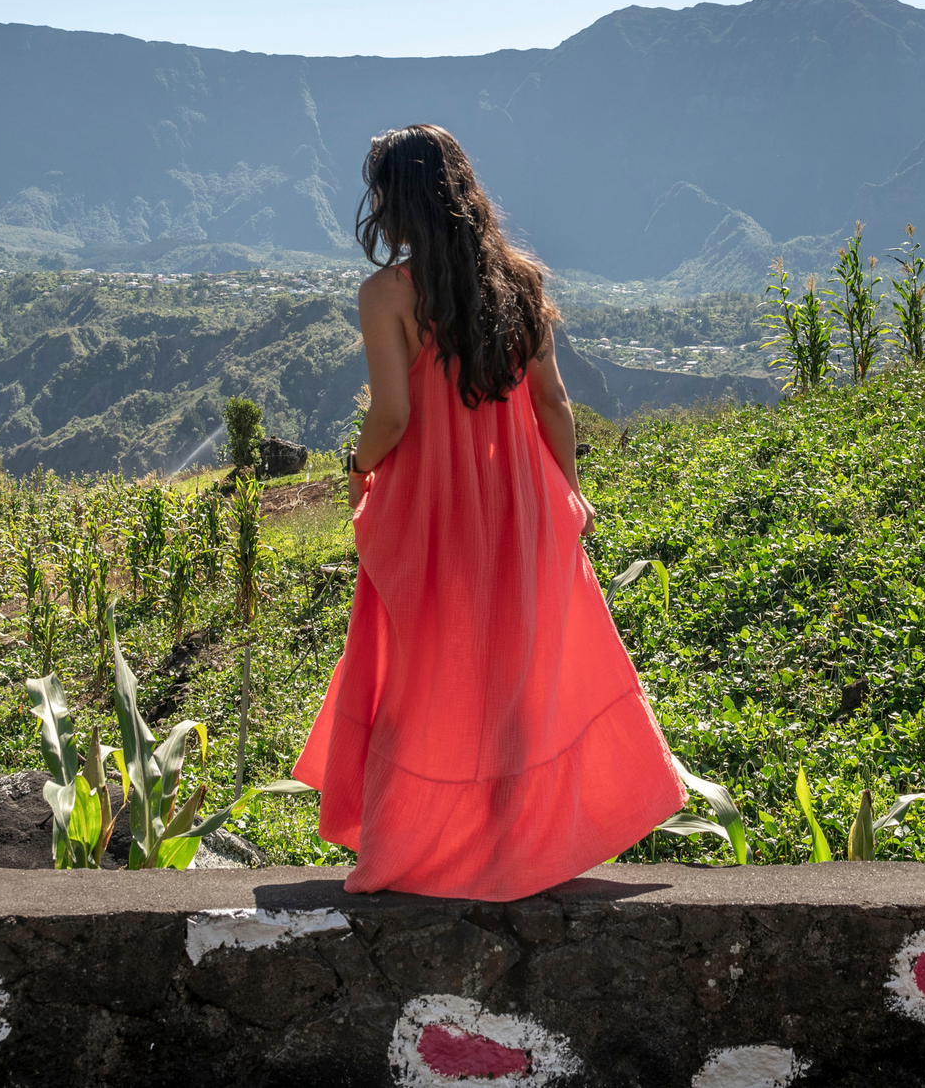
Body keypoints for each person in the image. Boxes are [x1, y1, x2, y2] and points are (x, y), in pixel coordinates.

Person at [292, 124, 686, 899]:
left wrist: (356, 466)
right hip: (526, 506)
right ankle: (514, 847)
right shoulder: (521, 284)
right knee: (517, 675)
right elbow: (554, 402)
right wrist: (569, 495)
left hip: (434, 515)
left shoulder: (387, 294)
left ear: (393, 201)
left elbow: (394, 415)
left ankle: (413, 845)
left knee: (420, 671)